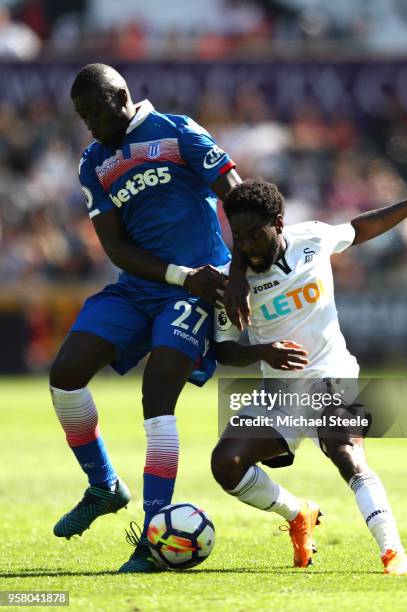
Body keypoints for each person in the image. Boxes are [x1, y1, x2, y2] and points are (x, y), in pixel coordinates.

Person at [211, 162, 407, 575]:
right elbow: (222, 351)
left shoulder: (313, 238)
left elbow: (361, 229)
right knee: (226, 465)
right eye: (239, 237)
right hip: (280, 392)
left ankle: (393, 552)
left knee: (344, 451)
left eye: (256, 233)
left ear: (278, 223)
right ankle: (298, 513)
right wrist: (263, 352)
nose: (249, 245)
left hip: (332, 375)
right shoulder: (230, 284)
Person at [49, 63, 246, 573]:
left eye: (95, 112)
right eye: (81, 116)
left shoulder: (179, 132)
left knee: (157, 396)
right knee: (65, 374)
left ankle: (155, 540)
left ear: (121, 96)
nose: (89, 124)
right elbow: (115, 247)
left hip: (200, 287)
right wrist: (181, 275)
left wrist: (238, 273)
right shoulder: (93, 161)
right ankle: (104, 485)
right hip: (148, 285)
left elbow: (238, 197)